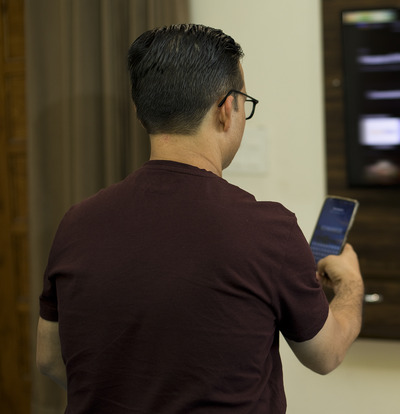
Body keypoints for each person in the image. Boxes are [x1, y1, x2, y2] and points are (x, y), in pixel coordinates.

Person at [35, 24, 364, 413]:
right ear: (228, 109)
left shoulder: (77, 224)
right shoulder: (267, 230)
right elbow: (325, 354)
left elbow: (50, 359)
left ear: (142, 111)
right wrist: (350, 286)